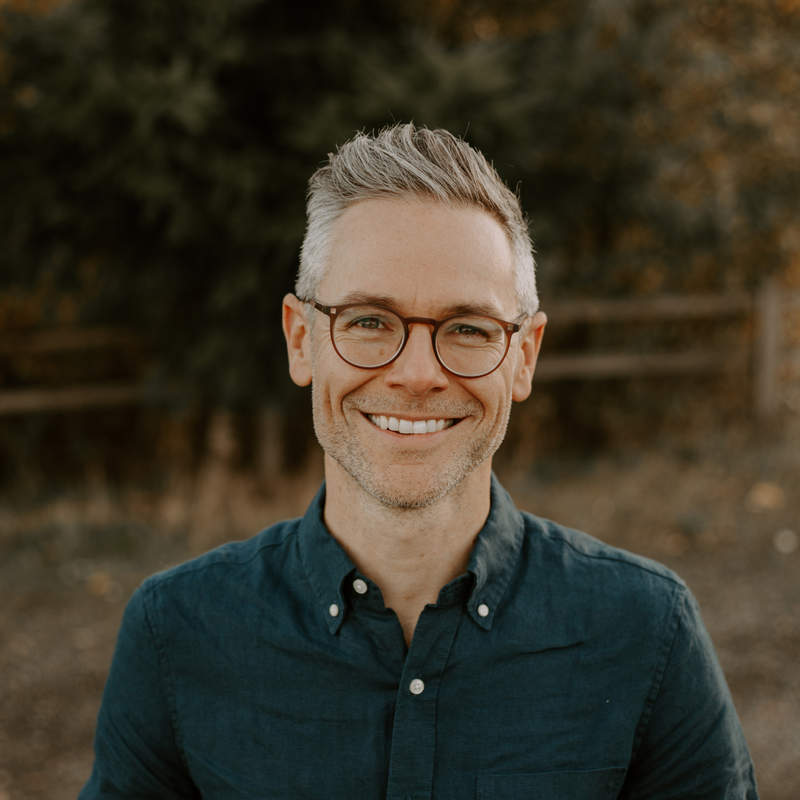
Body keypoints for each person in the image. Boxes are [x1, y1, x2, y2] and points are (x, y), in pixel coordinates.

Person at [80, 123, 758, 799]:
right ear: (300, 340)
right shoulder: (177, 633)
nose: (415, 374)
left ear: (524, 357)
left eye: (468, 328)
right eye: (369, 321)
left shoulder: (645, 632)